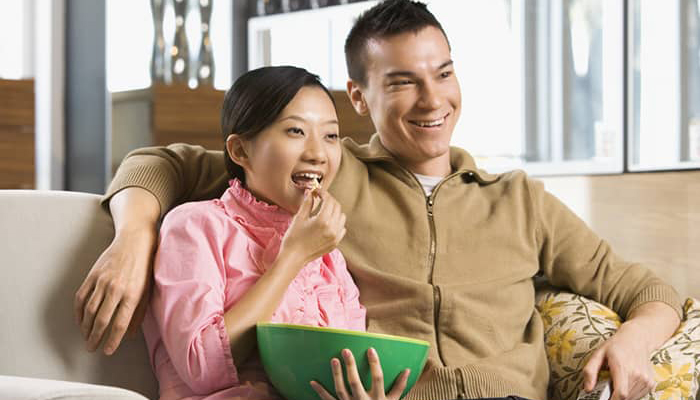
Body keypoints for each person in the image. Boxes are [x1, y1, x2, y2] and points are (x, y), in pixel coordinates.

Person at [75, 1, 682, 400]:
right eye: (402, 83)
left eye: (443, 74)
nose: (432, 100)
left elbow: (648, 293)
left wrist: (630, 340)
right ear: (359, 97)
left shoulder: (520, 199)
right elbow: (164, 163)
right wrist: (133, 235)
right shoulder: (321, 178)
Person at [139, 65, 409, 400]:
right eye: (296, 131)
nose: (318, 154)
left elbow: (346, 364)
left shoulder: (329, 256)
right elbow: (202, 369)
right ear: (240, 151)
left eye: (330, 136)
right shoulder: (195, 227)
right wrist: (293, 257)